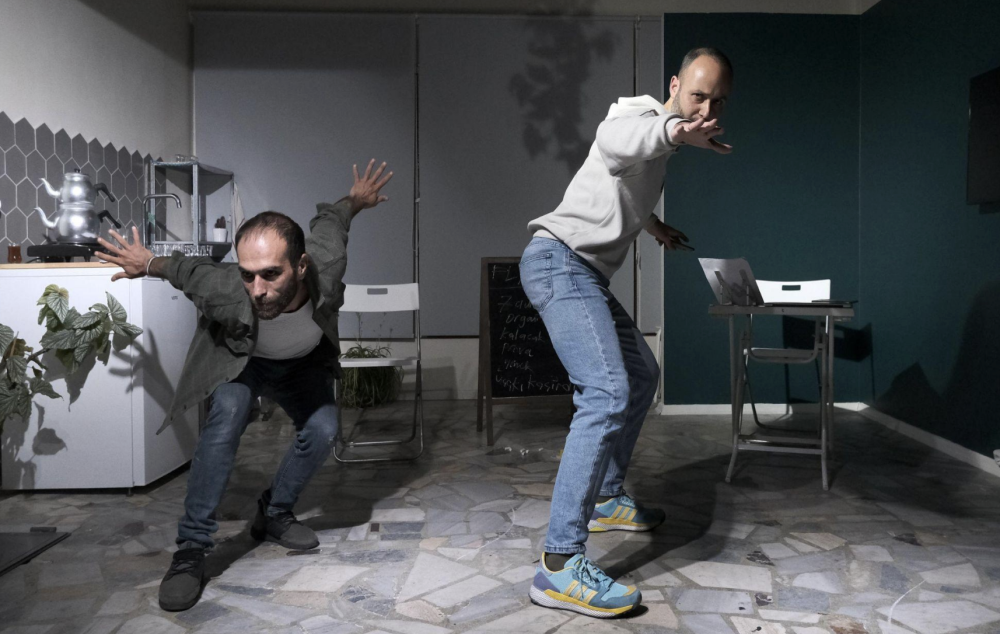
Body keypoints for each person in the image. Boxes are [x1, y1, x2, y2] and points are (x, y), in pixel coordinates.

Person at [97, 159, 393, 612]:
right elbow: (188, 271)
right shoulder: (229, 287)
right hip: (243, 363)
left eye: (271, 274)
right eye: (247, 274)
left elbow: (331, 222)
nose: (256, 289)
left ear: (301, 265)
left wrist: (354, 200)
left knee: (323, 430)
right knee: (228, 416)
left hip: (302, 365)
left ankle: (273, 512)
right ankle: (191, 551)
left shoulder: (325, 266)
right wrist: (148, 262)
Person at [521, 48, 734, 618]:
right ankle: (559, 567)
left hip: (583, 273)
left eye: (716, 101)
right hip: (558, 263)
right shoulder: (635, 115)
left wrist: (655, 226)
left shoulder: (659, 144)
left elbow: (626, 189)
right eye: (697, 95)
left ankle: (608, 497)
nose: (705, 108)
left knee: (642, 373)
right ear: (673, 86)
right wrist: (677, 129)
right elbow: (619, 142)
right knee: (608, 390)